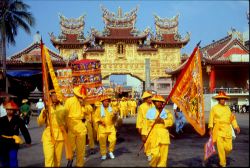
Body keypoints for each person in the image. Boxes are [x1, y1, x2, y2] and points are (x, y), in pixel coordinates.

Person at [37, 90, 71, 167]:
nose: (55, 97)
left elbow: (67, 122)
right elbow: (39, 122)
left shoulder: (63, 109)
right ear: (50, 97)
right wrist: (43, 114)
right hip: (49, 135)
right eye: (53, 95)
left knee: (57, 160)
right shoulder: (46, 108)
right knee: (49, 158)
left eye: (57, 95)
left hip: (60, 135)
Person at [208, 91, 240, 167]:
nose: (222, 100)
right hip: (218, 129)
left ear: (225, 99)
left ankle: (223, 157)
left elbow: (232, 118)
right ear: (218, 99)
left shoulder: (228, 108)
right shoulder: (214, 108)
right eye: (221, 98)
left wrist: (236, 126)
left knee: (229, 148)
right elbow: (211, 119)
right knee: (220, 147)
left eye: (224, 99)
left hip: (227, 130)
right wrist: (210, 129)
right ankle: (223, 163)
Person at [141, 95, 174, 167]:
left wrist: (162, 121)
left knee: (163, 157)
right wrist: (143, 135)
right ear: (154, 102)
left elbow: (171, 122)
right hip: (153, 135)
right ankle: (152, 165)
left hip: (164, 135)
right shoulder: (150, 112)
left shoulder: (166, 112)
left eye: (161, 102)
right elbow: (145, 124)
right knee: (155, 154)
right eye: (157, 102)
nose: (159, 103)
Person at [0, 101, 31, 167]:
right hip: (2, 142)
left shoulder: (18, 120)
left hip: (13, 142)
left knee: (13, 158)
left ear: (14, 110)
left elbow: (24, 130)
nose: (9, 111)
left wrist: (28, 141)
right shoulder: (1, 119)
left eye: (11, 110)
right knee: (3, 159)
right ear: (6, 110)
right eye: (8, 109)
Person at [64, 85, 88, 167]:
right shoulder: (69, 101)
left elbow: (89, 111)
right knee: (71, 146)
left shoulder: (84, 101)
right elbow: (65, 113)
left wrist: (83, 104)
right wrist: (65, 127)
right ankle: (70, 160)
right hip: (71, 125)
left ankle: (79, 164)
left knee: (81, 148)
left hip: (81, 124)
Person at [94, 95, 119, 160]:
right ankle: (104, 154)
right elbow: (95, 118)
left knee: (113, 140)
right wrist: (100, 122)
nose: (106, 102)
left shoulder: (112, 109)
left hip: (111, 127)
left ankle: (110, 151)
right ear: (102, 102)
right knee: (102, 142)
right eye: (105, 101)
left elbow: (115, 119)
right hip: (102, 127)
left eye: (107, 101)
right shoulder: (98, 109)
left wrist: (115, 115)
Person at [136, 91, 154, 161]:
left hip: (153, 125)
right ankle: (148, 154)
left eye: (150, 97)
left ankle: (153, 152)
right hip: (145, 126)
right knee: (146, 141)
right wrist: (139, 127)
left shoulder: (154, 105)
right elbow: (139, 117)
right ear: (145, 99)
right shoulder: (141, 107)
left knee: (154, 140)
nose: (150, 99)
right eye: (148, 98)